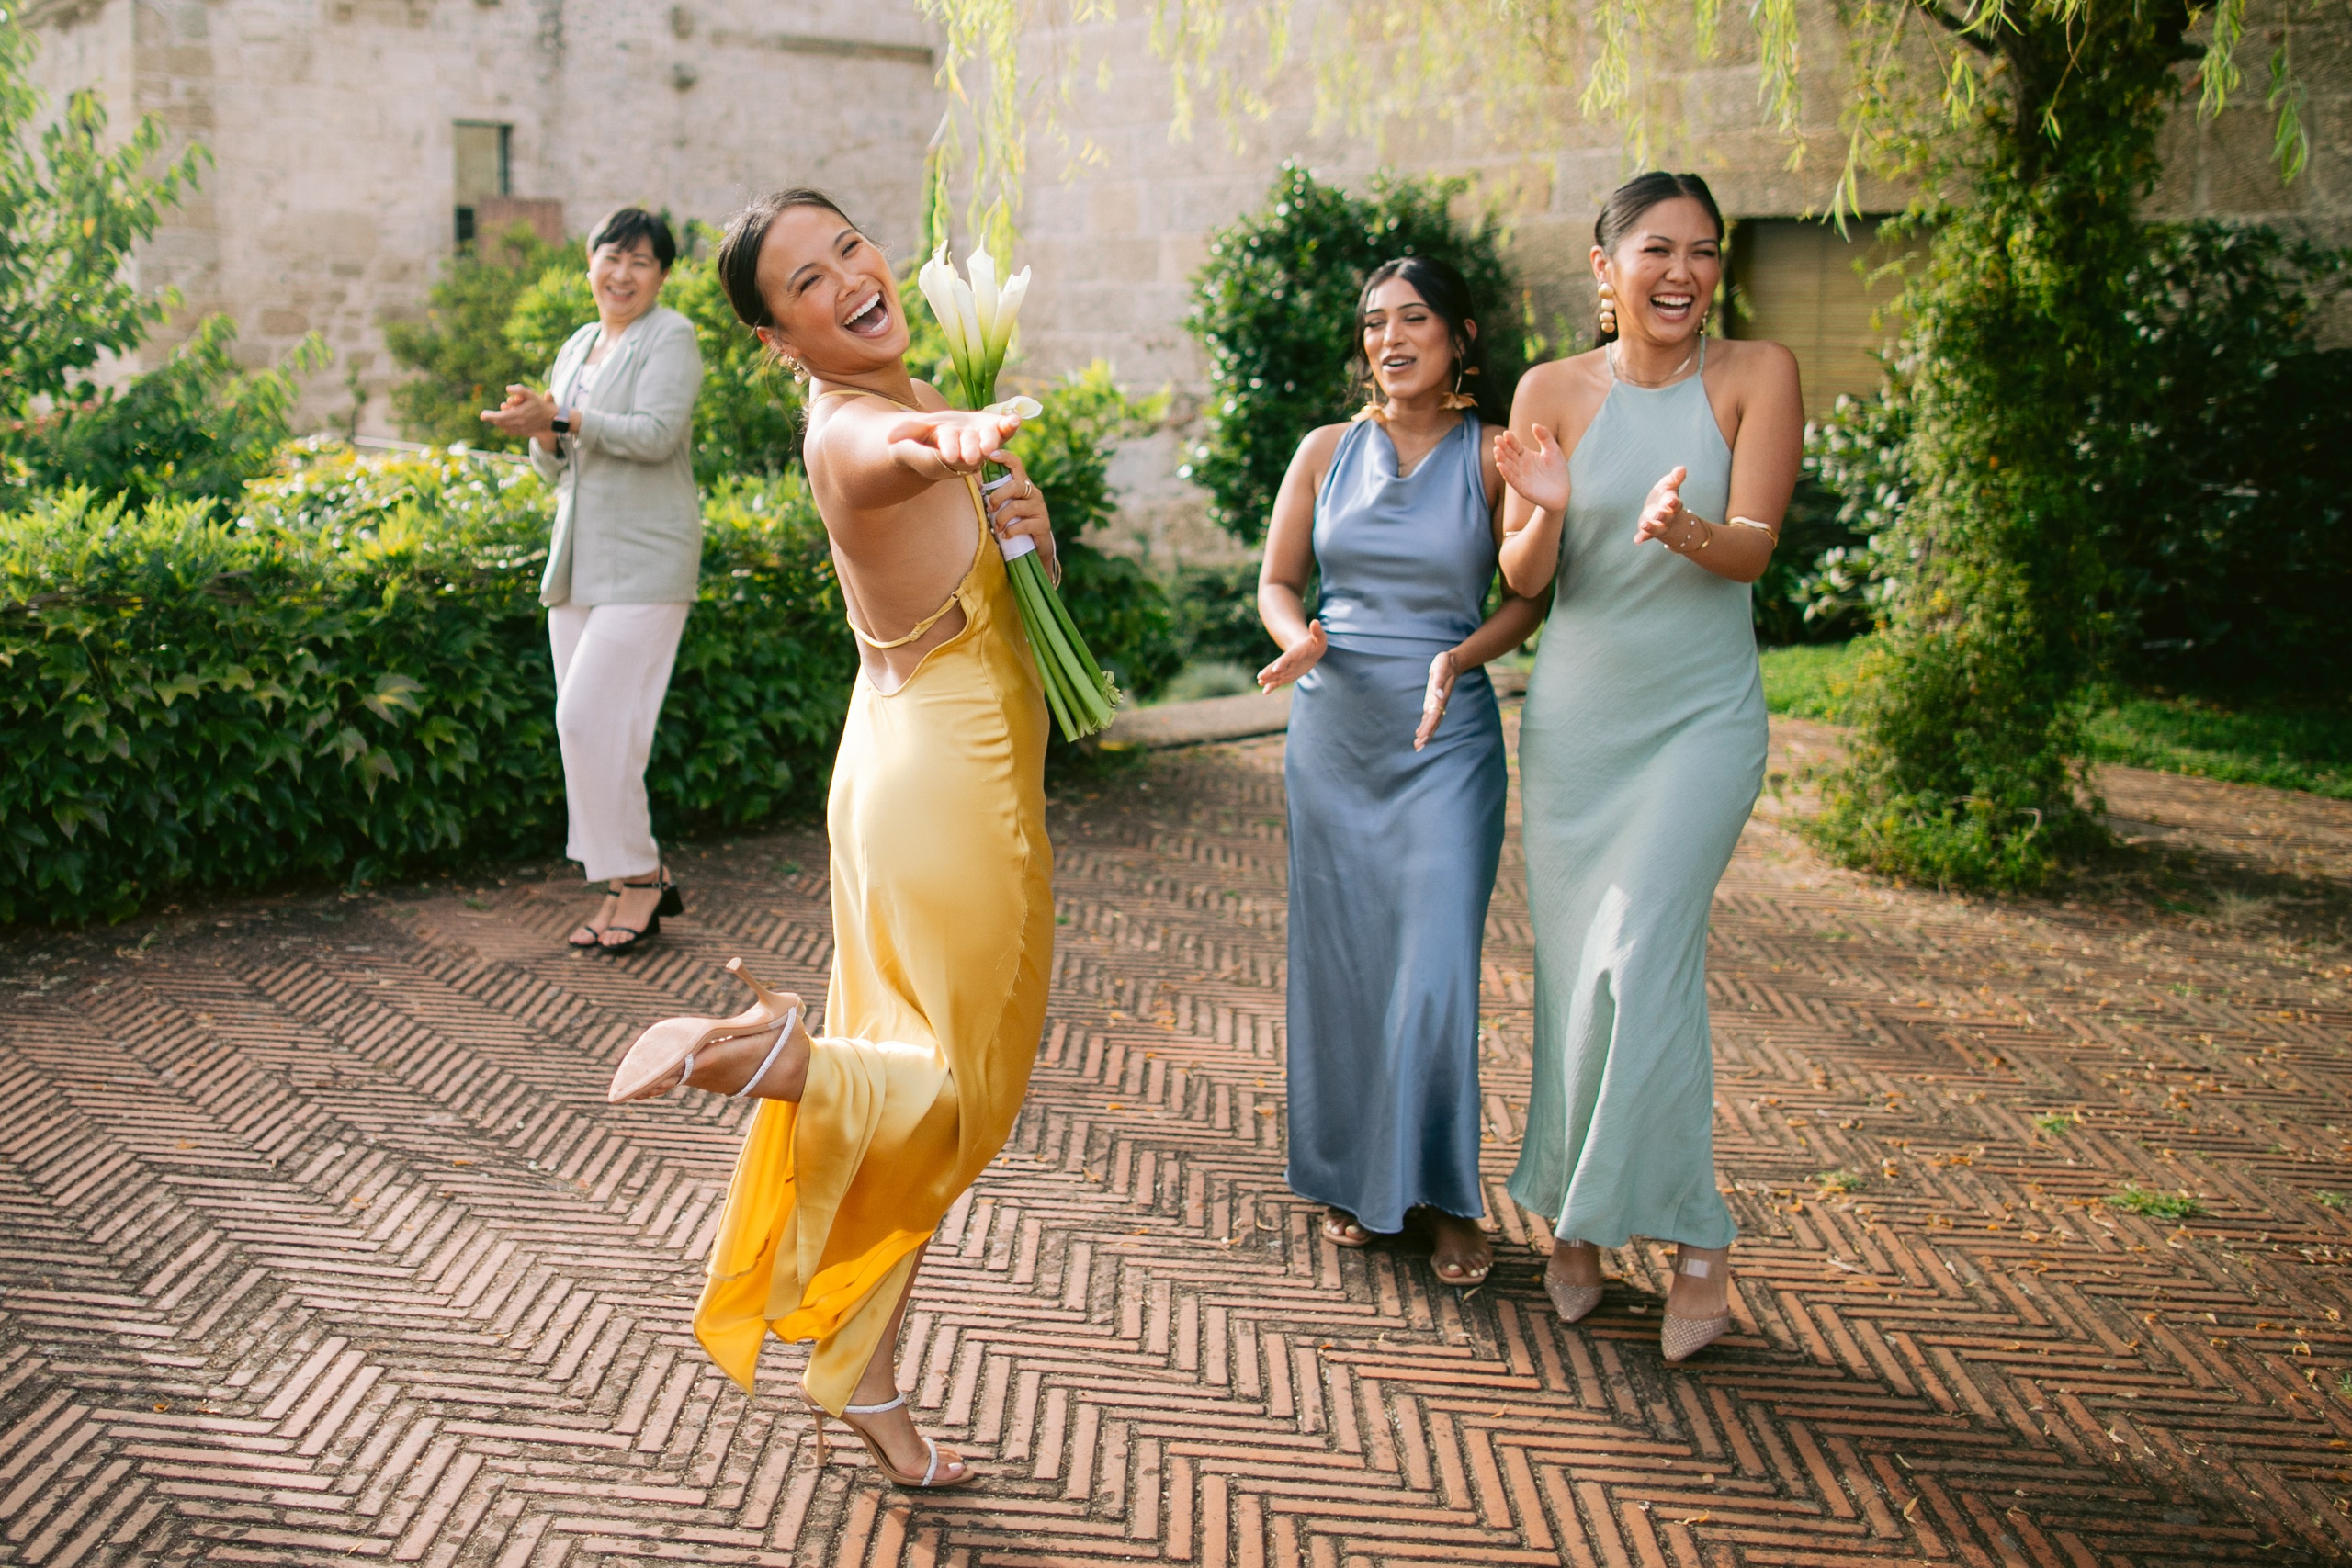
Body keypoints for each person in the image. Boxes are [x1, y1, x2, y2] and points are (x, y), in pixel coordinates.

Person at [603, 187, 1057, 1491]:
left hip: (907, 766)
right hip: (947, 793)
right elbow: (890, 457)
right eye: (806, 281)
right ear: (777, 338)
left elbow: (1010, 580)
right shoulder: (858, 427)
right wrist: (949, 436)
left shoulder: (895, 399)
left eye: (849, 245)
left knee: (923, 1098)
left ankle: (865, 1370)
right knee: (961, 1097)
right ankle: (773, 1058)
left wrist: (1028, 533)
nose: (850, 277)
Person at [1491, 172, 1801, 1360]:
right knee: (1578, 976)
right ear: (1603, 267)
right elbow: (1524, 580)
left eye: (1705, 252)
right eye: (1658, 249)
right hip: (1578, 726)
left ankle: (1698, 1234)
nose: (1684, 273)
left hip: (1698, 721)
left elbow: (1753, 552)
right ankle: (1579, 1216)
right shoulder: (1549, 391)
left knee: (1639, 956)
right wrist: (1549, 507)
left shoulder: (1756, 375)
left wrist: (1686, 529)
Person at [1255, 256, 1546, 1288]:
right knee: (1343, 964)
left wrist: (1462, 656)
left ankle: (1443, 1196)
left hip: (1442, 741)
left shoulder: (1491, 454)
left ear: (1460, 335)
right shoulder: (1324, 450)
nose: (1390, 338)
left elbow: (1526, 596)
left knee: (1431, 969)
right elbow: (1280, 580)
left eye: (1413, 318)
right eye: (1373, 322)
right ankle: (1353, 1178)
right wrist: (1297, 641)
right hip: (1333, 731)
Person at [481, 207, 706, 954]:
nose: (624, 274)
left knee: (589, 720)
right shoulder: (577, 344)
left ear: (662, 276)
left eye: (642, 262)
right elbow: (558, 465)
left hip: (648, 556)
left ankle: (640, 876)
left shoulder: (670, 334)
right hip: (578, 558)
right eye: (613, 257)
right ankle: (626, 883)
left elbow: (655, 433)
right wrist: (540, 429)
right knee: (593, 734)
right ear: (589, 264)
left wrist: (567, 416)